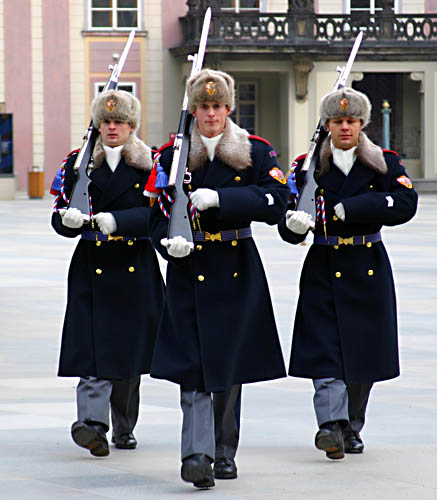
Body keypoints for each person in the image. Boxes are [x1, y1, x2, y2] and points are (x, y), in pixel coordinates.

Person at [145, 69, 289, 488]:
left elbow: (277, 201)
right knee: (192, 368)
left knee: (227, 369)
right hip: (188, 270)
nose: (210, 114)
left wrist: (222, 198)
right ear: (193, 109)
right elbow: (156, 213)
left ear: (229, 108)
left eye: (217, 106)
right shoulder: (171, 153)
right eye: (203, 107)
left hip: (235, 267)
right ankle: (195, 455)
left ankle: (224, 451)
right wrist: (166, 242)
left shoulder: (255, 151)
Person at [278, 87, 418, 460]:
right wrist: (293, 224)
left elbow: (406, 203)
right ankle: (329, 425)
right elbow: (289, 226)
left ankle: (352, 426)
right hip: (323, 266)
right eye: (337, 121)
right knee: (324, 349)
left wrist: (351, 209)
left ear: (362, 124)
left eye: (351, 121)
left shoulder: (383, 162)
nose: (344, 127)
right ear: (326, 124)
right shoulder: (308, 167)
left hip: (366, 265)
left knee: (362, 352)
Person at [51, 90, 165, 457]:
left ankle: (124, 425)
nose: (112, 127)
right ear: (98, 125)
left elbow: (158, 216)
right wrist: (67, 221)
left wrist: (118, 220)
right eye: (106, 121)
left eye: (119, 122)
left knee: (129, 355)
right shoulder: (78, 163)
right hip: (91, 265)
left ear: (132, 126)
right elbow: (60, 212)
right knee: (91, 347)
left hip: (134, 266)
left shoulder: (151, 166)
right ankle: (91, 424)